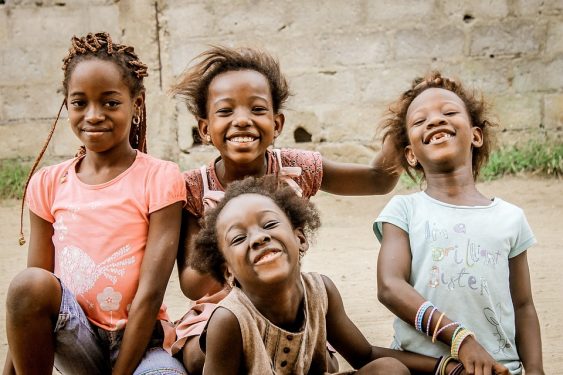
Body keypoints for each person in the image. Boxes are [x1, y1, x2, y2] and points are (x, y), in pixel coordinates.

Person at [167, 45, 402, 373]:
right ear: (205, 129)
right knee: (199, 356)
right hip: (221, 316)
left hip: (284, 303)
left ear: (277, 123)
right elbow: (194, 284)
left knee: (322, 358)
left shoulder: (295, 168)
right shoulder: (192, 187)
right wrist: (230, 245)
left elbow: (377, 180)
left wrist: (406, 117)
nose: (243, 120)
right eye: (225, 111)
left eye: (257, 109)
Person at [4, 32, 187, 374]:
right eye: (79, 102)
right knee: (27, 282)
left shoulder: (160, 178)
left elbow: (150, 295)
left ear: (137, 103)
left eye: (110, 102)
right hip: (76, 335)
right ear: (67, 105)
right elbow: (30, 298)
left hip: (142, 342)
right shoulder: (48, 183)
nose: (93, 115)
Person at [190, 175, 463, 374]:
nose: (259, 238)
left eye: (269, 224)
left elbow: (364, 354)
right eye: (238, 238)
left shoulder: (321, 292)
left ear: (300, 238)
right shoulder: (229, 321)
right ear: (228, 272)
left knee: (389, 371)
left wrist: (445, 368)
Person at [374, 72, 543, 375]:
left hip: (498, 369)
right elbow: (390, 286)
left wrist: (535, 370)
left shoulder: (510, 217)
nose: (435, 120)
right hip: (424, 367)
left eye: (449, 113)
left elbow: (523, 306)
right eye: (419, 120)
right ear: (410, 155)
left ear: (476, 135)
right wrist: (460, 339)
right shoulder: (404, 210)